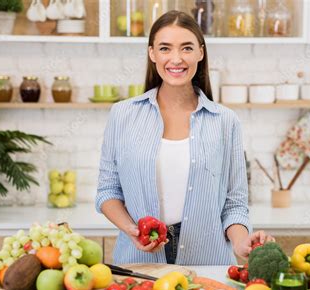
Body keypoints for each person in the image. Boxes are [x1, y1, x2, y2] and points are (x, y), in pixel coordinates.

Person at [96, 10, 274, 265]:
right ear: (152, 54)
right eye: (165, 48)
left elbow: (234, 204)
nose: (176, 59)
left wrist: (240, 242)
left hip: (208, 264)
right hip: (138, 263)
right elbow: (107, 191)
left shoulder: (225, 121)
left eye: (187, 48)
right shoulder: (123, 114)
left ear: (200, 53)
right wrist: (132, 230)